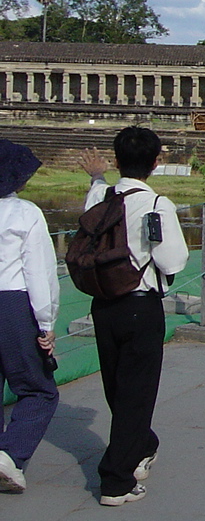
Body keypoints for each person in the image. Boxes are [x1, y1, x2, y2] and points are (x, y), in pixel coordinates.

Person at [79, 128, 189, 506]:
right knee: (137, 392)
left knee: (116, 386)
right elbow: (172, 261)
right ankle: (116, 479)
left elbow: (91, 214)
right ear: (156, 162)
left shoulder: (102, 197)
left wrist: (97, 176)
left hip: (103, 304)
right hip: (141, 305)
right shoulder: (157, 204)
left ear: (116, 160)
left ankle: (141, 445)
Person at [0, 140, 58, 495]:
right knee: (38, 388)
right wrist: (46, 322)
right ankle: (10, 454)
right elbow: (39, 272)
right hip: (13, 303)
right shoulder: (25, 213)